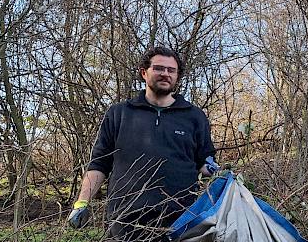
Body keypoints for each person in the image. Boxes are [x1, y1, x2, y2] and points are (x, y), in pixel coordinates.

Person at [67, 47, 217, 241]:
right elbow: (99, 164)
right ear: (144, 72)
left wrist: (223, 175)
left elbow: (205, 162)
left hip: (181, 221)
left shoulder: (194, 116)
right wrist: (82, 203)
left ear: (177, 76)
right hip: (125, 220)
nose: (165, 74)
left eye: (171, 70)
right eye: (159, 68)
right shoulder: (119, 113)